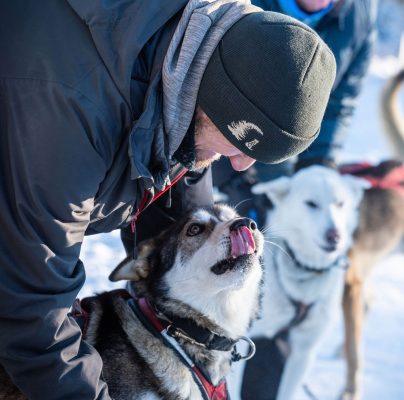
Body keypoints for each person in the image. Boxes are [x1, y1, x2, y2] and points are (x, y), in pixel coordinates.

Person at [0, 0, 336, 398]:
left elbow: (179, 208)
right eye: (245, 142)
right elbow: (31, 308)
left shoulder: (194, 63)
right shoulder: (72, 113)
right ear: (217, 102)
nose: (241, 164)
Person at [212, 0, 377, 225]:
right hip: (222, 139)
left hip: (292, 137)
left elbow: (338, 102)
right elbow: (212, 85)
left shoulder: (358, 17)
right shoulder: (245, 5)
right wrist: (233, 178)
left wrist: (319, 165)